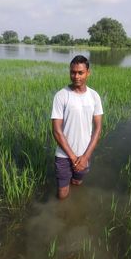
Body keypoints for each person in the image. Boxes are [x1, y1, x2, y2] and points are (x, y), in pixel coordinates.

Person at [51, 55, 103, 199]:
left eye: (80, 72)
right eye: (73, 72)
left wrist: (85, 157)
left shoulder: (94, 96)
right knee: (62, 194)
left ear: (88, 73)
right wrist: (73, 158)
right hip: (64, 155)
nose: (76, 76)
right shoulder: (61, 96)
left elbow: (98, 129)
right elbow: (56, 131)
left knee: (77, 182)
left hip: (84, 154)